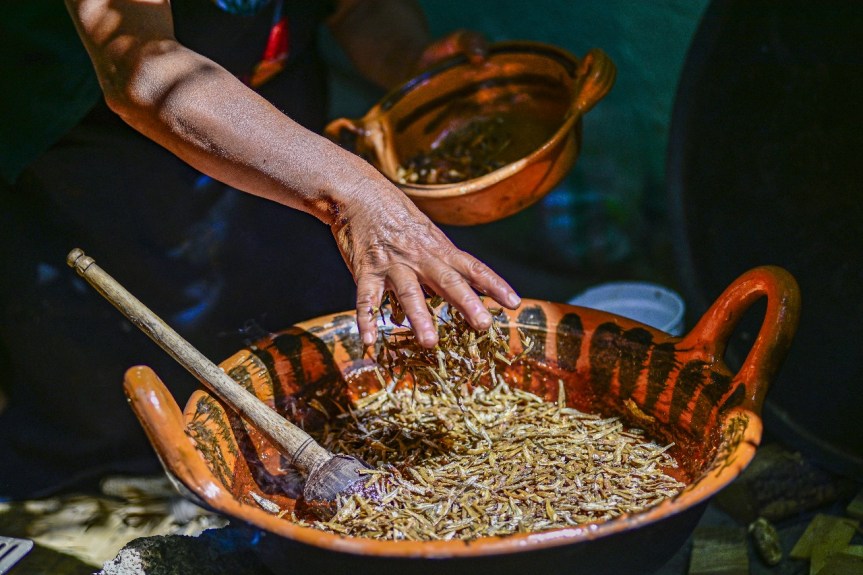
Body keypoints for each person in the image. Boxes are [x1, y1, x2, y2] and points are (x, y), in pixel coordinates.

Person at [0, 0, 520, 499]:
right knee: (106, 417)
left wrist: (410, 59)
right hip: (101, 156)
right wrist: (354, 191)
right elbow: (144, 69)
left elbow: (358, 7)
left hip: (276, 136)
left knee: (290, 370)